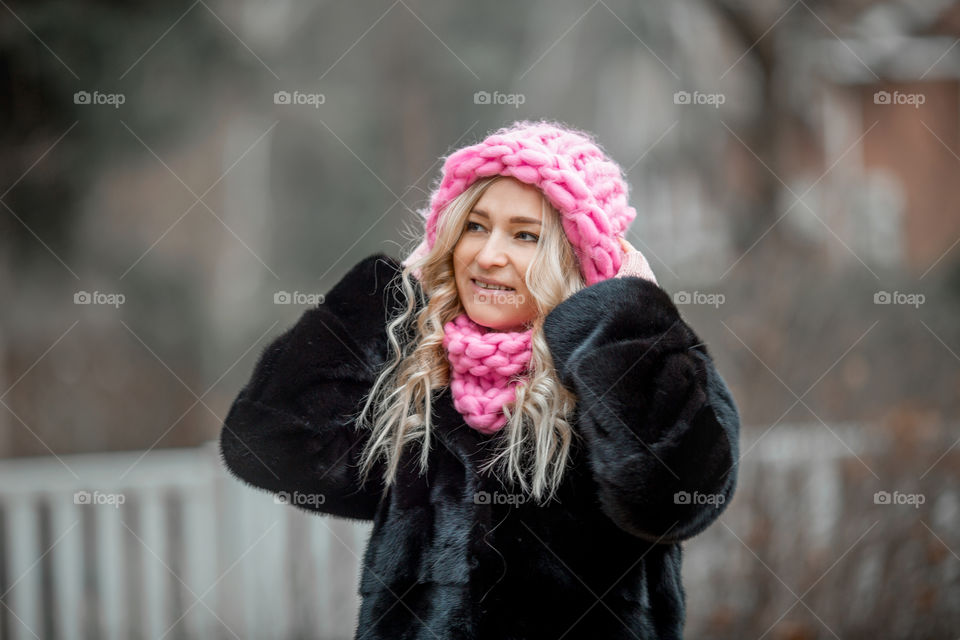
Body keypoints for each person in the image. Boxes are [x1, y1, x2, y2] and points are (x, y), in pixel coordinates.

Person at [219, 119, 741, 639]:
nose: (488, 256)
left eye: (525, 235)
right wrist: (391, 294)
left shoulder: (635, 374)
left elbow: (673, 499)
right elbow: (268, 445)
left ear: (579, 256)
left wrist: (628, 328)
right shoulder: (421, 383)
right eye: (474, 226)